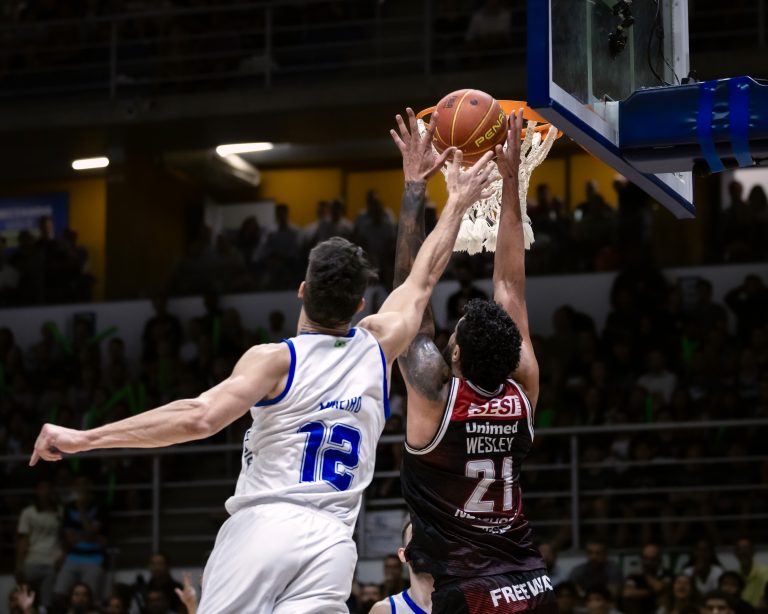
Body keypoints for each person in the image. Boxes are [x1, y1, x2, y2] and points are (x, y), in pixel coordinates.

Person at [29, 109, 492, 613]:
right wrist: (451, 199)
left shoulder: (275, 360)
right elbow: (422, 279)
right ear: (361, 305)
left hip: (265, 526)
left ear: (301, 291)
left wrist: (85, 439)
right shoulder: (378, 345)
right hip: (333, 543)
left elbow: (199, 417)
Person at [393, 108, 556, 613]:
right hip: (530, 585)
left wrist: (416, 187)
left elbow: (411, 295)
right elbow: (509, 285)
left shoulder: (435, 394)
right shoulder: (521, 389)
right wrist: (511, 185)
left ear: (456, 352)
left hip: (472, 592)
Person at [15, 479, 61, 610]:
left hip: (52, 562)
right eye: (42, 488)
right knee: (27, 601)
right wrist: (19, 565)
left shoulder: (60, 511)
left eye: (48, 488)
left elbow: (64, 537)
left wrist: (62, 555)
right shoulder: (28, 513)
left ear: (53, 491)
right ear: (37, 491)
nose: (45, 491)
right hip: (32, 560)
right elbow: (23, 540)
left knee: (46, 604)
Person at [370, 521, 433, 614]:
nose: (422, 546)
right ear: (402, 555)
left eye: (429, 539)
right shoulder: (384, 610)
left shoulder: (455, 605)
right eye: (415, 538)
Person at [622, 543, 673, 614]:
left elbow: (659, 588)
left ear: (659, 560)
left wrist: (646, 574)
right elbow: (627, 593)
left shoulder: (667, 573)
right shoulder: (634, 576)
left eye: (651, 559)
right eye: (645, 558)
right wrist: (651, 593)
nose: (647, 562)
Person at [734, 538, 768, 608]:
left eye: (746, 549)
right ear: (735, 553)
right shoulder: (735, 575)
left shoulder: (765, 572)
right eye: (739, 549)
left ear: (753, 551)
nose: (743, 552)